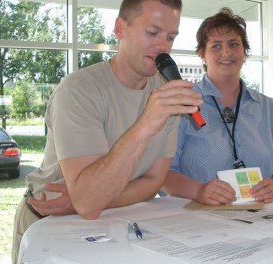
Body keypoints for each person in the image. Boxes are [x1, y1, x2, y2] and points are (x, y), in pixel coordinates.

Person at [12, 0, 202, 262]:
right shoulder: (78, 91)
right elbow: (89, 203)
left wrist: (96, 199)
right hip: (49, 224)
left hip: (112, 222)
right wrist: (146, 124)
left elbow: (153, 182)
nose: (163, 46)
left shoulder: (164, 90)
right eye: (152, 32)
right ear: (120, 28)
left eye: (170, 37)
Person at [161, 7, 273, 205]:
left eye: (234, 44)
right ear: (202, 54)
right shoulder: (182, 105)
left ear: (245, 52)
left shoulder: (267, 108)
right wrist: (199, 191)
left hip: (261, 220)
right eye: (216, 46)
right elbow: (163, 175)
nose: (226, 52)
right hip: (200, 222)